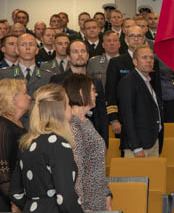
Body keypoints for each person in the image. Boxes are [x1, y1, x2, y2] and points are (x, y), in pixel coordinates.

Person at [8, 83, 84, 213]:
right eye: (68, 104)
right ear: (59, 110)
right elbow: (65, 198)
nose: (70, 108)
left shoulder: (27, 144)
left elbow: (15, 192)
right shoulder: (59, 145)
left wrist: (35, 205)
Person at [63, 74, 112, 211]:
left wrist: (107, 193)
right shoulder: (73, 125)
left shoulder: (86, 121)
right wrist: (81, 206)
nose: (96, 94)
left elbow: (96, 164)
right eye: (92, 90)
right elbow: (77, 170)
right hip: (87, 203)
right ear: (80, 92)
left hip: (97, 198)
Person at [50, 40, 108, 146]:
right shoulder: (57, 81)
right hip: (67, 136)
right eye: (75, 52)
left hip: (93, 136)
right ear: (68, 57)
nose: (80, 55)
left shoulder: (96, 82)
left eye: (83, 51)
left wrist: (104, 142)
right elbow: (53, 113)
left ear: (88, 55)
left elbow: (102, 113)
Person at [105, 25, 157, 136]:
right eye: (132, 36)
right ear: (126, 39)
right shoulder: (116, 63)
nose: (136, 39)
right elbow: (111, 93)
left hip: (148, 117)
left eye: (139, 36)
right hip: (125, 118)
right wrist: (114, 119)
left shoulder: (152, 62)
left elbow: (157, 92)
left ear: (144, 39)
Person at [118, 45, 164, 157]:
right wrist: (136, 147)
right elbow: (127, 116)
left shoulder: (149, 81)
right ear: (135, 61)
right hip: (137, 147)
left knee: (155, 175)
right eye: (144, 57)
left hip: (153, 142)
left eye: (151, 57)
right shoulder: (128, 81)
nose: (149, 60)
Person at [0, 79, 29, 211]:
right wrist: (16, 201)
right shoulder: (3, 126)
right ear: (13, 98)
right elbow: (2, 171)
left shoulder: (17, 123)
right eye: (25, 93)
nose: (29, 97)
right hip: (7, 201)